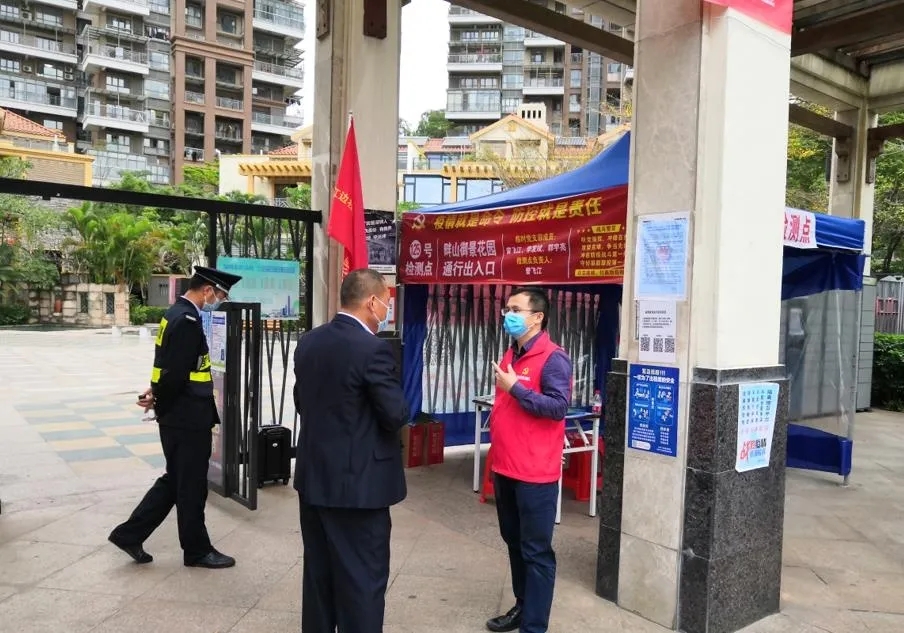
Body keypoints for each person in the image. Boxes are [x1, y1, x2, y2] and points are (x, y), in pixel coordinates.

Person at [293, 268, 409, 633]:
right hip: (359, 489)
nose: (387, 310)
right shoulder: (373, 349)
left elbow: (302, 403)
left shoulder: (309, 341)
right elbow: (395, 414)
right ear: (372, 302)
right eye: (386, 302)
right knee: (362, 582)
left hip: (314, 480)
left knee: (319, 578)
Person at [108, 265, 242, 569]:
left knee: (177, 480)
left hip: (179, 414)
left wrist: (156, 393)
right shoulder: (187, 320)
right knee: (191, 486)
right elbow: (176, 373)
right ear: (207, 290)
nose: (219, 301)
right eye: (220, 295)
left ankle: (129, 535)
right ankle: (197, 550)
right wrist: (160, 398)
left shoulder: (175, 314)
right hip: (187, 417)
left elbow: (167, 367)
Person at [486, 287, 573, 633]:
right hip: (505, 467)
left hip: (535, 474)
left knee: (536, 551)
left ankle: (534, 626)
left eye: (516, 309)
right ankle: (522, 607)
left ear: (537, 317)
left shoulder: (553, 358)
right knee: (514, 541)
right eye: (507, 308)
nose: (508, 314)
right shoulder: (512, 352)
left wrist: (516, 389)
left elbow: (558, 407)